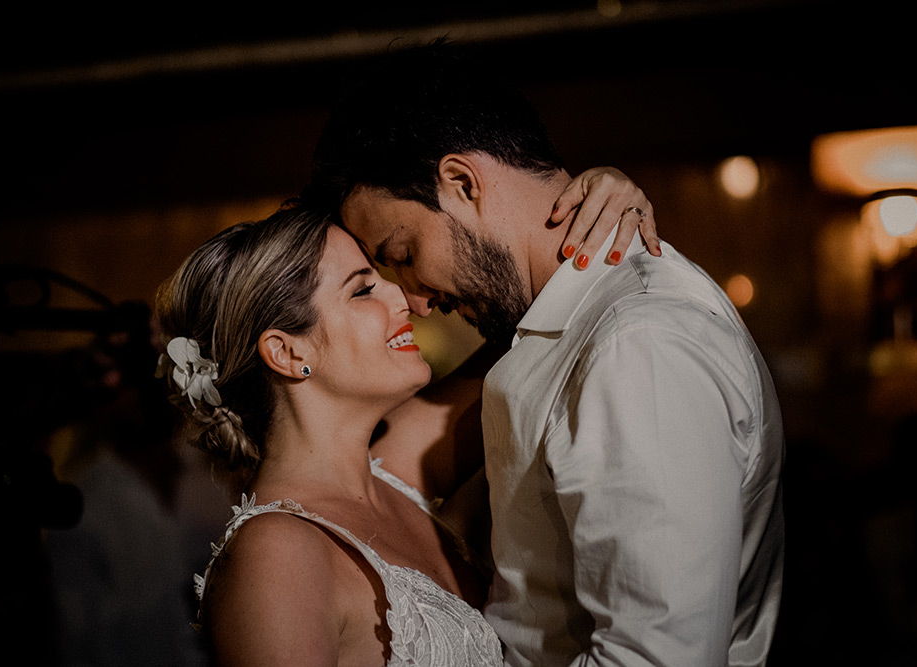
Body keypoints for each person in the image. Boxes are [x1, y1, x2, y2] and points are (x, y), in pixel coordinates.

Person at [307, 42, 785, 666]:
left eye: (402, 255)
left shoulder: (634, 347)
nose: (416, 303)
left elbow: (654, 659)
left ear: (461, 181)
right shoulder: (562, 326)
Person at [156, 187, 650, 665]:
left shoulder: (400, 467)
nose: (403, 298)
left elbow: (539, 315)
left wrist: (599, 196)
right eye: (364, 289)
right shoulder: (277, 554)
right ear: (288, 352)